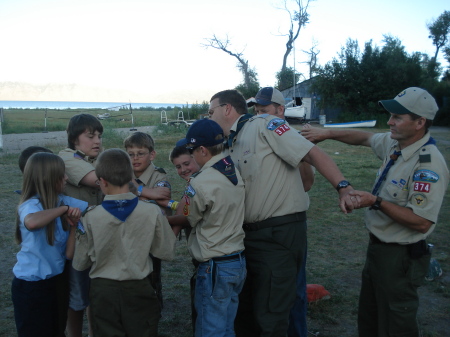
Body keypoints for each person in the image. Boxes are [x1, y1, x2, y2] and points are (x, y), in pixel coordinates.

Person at [301, 87, 449, 337]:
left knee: (396, 323)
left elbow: (422, 222)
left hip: (401, 258)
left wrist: (375, 202)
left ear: (420, 123)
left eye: (397, 118)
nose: (389, 122)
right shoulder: (397, 144)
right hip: (378, 251)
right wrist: (326, 134)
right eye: (390, 115)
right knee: (370, 318)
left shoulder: (427, 163)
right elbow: (362, 137)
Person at [209, 89, 358, 337]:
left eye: (211, 110)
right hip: (247, 236)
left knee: (271, 314)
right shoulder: (230, 142)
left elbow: (310, 152)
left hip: (277, 235)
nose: (208, 115)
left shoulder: (266, 125)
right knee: (247, 310)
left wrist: (343, 187)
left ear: (227, 109)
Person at [68, 148, 176, 337]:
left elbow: (80, 262)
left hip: (104, 292)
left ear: (102, 181)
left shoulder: (90, 218)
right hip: (139, 288)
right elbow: (166, 251)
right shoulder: (151, 212)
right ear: (131, 178)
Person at [250, 87, 314, 337]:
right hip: (262, 230)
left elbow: (307, 183)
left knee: (295, 290)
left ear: (280, 110)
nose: (259, 116)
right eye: (256, 111)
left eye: (264, 111)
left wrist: (301, 157)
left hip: (287, 227)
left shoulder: (289, 136)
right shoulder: (255, 134)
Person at [180, 119, 246, 337]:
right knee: (227, 325)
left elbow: (186, 216)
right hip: (236, 261)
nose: (190, 157)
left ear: (201, 150)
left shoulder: (200, 182)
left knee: (210, 328)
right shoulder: (233, 170)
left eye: (191, 151)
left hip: (214, 267)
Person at [11, 152, 87, 337]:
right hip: (32, 287)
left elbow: (68, 255)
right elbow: (32, 222)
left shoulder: (62, 200)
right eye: (62, 174)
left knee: (57, 329)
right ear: (48, 178)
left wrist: (72, 227)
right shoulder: (31, 205)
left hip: (56, 282)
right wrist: (63, 210)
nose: (67, 178)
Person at [59, 113, 103, 337]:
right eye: (90, 136)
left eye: (99, 136)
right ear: (75, 138)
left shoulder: (94, 160)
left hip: (97, 239)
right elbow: (103, 181)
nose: (97, 141)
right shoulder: (67, 159)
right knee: (76, 298)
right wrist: (147, 191)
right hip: (76, 242)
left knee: (94, 296)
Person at [123, 131, 172, 309]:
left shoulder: (159, 176)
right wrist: (145, 197)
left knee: (151, 280)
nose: (135, 158)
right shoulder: (124, 175)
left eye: (140, 153)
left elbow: (160, 205)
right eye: (130, 154)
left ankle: (153, 313)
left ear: (152, 154)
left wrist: (134, 191)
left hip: (150, 239)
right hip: (128, 237)